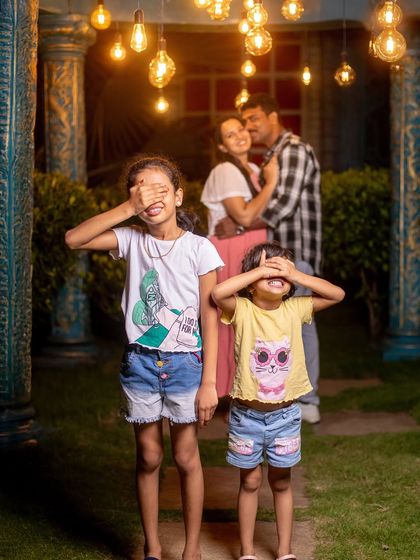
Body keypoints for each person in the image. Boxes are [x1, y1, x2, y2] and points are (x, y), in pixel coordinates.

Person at [65, 155, 224, 560]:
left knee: (185, 456)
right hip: (140, 363)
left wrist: (209, 382)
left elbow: (211, 316)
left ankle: (191, 549)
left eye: (160, 189)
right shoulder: (131, 239)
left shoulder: (199, 248)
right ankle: (152, 546)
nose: (151, 197)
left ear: (178, 196)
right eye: (140, 189)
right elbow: (74, 239)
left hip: (186, 364)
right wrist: (128, 208)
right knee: (150, 456)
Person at [211, 241, 344, 560]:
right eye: (267, 268)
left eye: (282, 270)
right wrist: (258, 271)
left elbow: (337, 295)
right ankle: (247, 551)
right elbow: (218, 293)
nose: (276, 273)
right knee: (250, 482)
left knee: (282, 482)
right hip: (246, 417)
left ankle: (285, 551)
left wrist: (297, 274)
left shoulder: (295, 309)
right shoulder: (242, 310)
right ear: (251, 282)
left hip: (285, 417)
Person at [215, 93, 322, 424]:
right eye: (244, 121)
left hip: (296, 253)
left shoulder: (295, 150)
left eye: (254, 119)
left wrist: (240, 223)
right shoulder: (272, 155)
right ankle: (278, 394)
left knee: (302, 323)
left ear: (273, 117)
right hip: (278, 254)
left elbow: (283, 205)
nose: (248, 127)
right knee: (280, 326)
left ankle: (308, 401)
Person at [201, 115, 278, 396]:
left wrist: (247, 223)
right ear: (222, 146)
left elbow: (259, 216)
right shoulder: (225, 170)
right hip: (231, 251)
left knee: (253, 320)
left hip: (250, 248)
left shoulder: (254, 169)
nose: (240, 136)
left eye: (241, 129)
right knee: (232, 319)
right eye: (230, 135)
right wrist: (271, 184)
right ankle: (228, 391)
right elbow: (245, 214)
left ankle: (253, 388)